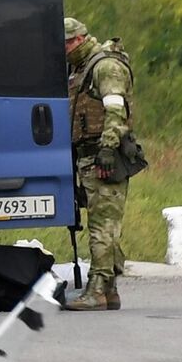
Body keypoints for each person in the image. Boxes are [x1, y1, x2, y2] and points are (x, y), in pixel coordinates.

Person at [59, 17, 140, 312]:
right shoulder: (81, 68)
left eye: (67, 44)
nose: (64, 50)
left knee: (102, 226)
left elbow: (116, 110)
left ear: (80, 39)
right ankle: (110, 290)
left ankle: (97, 290)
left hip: (105, 156)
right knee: (102, 222)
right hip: (89, 155)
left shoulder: (105, 66)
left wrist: (107, 149)